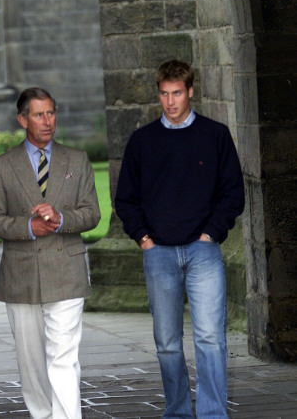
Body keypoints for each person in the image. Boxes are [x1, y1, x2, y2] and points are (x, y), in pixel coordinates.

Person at [115, 60, 245, 418]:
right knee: (168, 344)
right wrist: (144, 239)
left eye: (176, 93)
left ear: (190, 92)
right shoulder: (143, 141)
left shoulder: (215, 135)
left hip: (203, 251)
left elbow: (233, 193)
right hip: (158, 253)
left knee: (210, 339)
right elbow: (126, 198)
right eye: (164, 94)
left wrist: (210, 235)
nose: (170, 101)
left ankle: (213, 413)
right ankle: (177, 412)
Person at [0, 87, 101, 419]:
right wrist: (28, 227)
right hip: (21, 276)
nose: (47, 121)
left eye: (51, 112)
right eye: (39, 114)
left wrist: (61, 218)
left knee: (63, 356)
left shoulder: (77, 160)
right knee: (31, 362)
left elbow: (92, 214)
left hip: (67, 270)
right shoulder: (0, 167)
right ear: (22, 119)